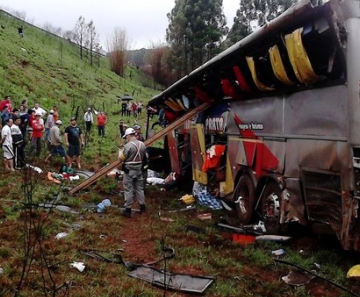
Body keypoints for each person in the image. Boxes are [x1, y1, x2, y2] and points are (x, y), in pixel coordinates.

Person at [119, 127, 147, 217]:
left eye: (126, 137)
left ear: (128, 135)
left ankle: (128, 210)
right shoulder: (142, 144)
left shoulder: (128, 146)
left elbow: (121, 159)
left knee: (128, 190)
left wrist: (120, 151)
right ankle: (142, 207)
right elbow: (144, 157)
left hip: (129, 171)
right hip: (139, 170)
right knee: (140, 189)